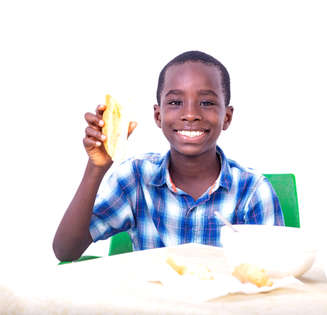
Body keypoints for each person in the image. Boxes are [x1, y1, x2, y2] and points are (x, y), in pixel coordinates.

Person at [53, 51, 284, 262]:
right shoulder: (135, 178)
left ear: (227, 117)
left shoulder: (252, 191)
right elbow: (66, 250)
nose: (191, 114)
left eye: (206, 102)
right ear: (158, 115)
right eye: (175, 102)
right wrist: (96, 168)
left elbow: (273, 272)